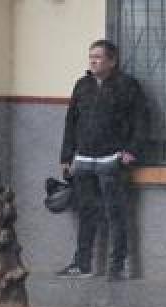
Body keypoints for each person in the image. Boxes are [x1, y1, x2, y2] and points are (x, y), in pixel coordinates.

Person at [56, 39, 149, 280]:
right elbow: (71, 121)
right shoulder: (82, 85)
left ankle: (116, 267)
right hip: (83, 159)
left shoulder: (127, 85)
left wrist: (132, 150)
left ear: (112, 61)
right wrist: (66, 156)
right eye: (91, 57)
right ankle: (82, 264)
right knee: (86, 212)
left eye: (98, 57)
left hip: (112, 159)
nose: (93, 61)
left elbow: (141, 120)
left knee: (115, 213)